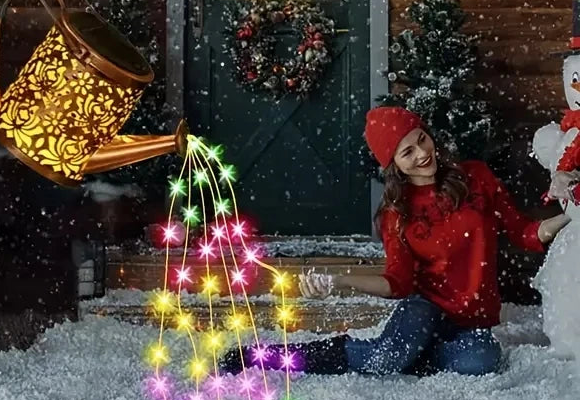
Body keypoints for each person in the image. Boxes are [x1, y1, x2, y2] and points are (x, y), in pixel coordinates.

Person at [220, 106, 571, 377]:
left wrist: (571, 216)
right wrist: (340, 281)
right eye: (407, 152)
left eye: (421, 139)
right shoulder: (397, 214)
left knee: (481, 362)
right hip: (425, 307)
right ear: (395, 165)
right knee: (383, 359)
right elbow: (397, 283)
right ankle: (269, 356)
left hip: (472, 318)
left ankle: (411, 355)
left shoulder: (476, 176)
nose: (422, 153)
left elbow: (524, 232)